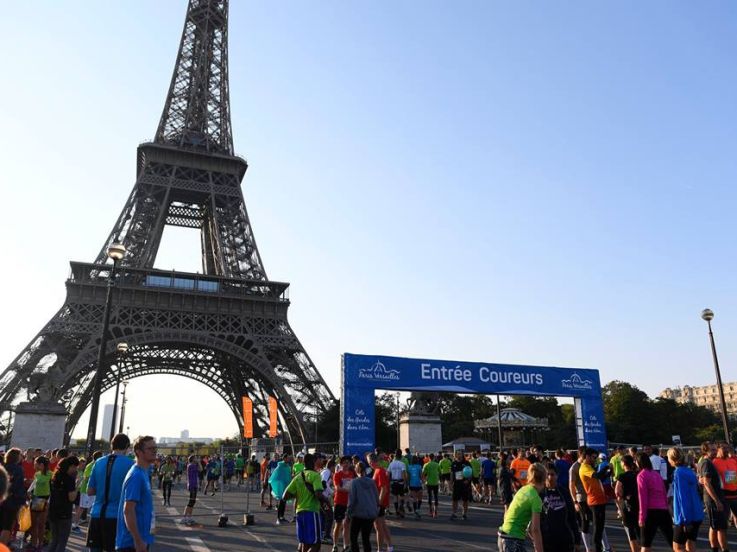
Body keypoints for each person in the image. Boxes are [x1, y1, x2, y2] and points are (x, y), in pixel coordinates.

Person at [86, 433, 134, 552]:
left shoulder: (98, 462)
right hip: (118, 517)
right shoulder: (131, 465)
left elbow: (90, 491)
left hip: (96, 514)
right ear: (127, 446)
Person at [116, 435, 157, 552]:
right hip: (131, 544)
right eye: (150, 448)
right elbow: (128, 510)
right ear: (138, 452)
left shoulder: (143, 472)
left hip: (140, 540)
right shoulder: (136, 476)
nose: (154, 451)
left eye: (155, 448)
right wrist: (138, 541)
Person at [497, 462, 546, 552]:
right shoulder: (536, 499)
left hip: (503, 534)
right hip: (513, 539)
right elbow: (535, 529)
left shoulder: (523, 489)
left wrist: (535, 543)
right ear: (544, 479)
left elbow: (530, 528)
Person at [283, 453, 325, 552]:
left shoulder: (298, 477)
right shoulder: (315, 475)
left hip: (299, 512)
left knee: (304, 544)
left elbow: (285, 496)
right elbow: (318, 494)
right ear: (312, 462)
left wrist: (298, 493)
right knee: (316, 544)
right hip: (311, 511)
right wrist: (326, 501)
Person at [668, 447, 702, 552]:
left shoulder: (678, 473)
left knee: (678, 547)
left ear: (672, 459)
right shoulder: (689, 471)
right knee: (690, 545)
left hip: (685, 517)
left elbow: (683, 498)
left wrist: (685, 521)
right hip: (696, 513)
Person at [636, 452, 673, 551]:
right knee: (674, 543)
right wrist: (667, 509)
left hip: (651, 512)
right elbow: (664, 492)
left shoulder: (641, 475)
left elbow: (642, 498)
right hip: (663, 511)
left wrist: (641, 517)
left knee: (645, 544)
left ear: (638, 462)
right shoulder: (656, 474)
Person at [540, 462, 579, 552]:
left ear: (557, 475)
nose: (550, 477)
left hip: (564, 539)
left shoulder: (564, 493)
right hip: (546, 541)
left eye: (552, 474)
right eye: (547, 475)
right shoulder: (539, 494)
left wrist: (577, 540)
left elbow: (572, 517)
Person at [698, 441, 729, 552]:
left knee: (715, 526)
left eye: (715, 449)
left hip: (716, 498)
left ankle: (715, 549)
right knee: (721, 528)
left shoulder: (710, 462)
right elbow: (706, 482)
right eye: (712, 450)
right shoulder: (706, 463)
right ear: (705, 451)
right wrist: (717, 501)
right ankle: (724, 549)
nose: (715, 451)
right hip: (713, 500)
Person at [579, 448, 611, 552]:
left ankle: (603, 549)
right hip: (594, 501)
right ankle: (598, 549)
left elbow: (600, 478)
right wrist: (606, 466)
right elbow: (597, 475)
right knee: (597, 529)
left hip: (600, 500)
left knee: (600, 527)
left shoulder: (590, 466)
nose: (595, 459)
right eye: (593, 457)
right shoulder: (584, 467)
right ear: (587, 456)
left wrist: (609, 471)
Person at [47, 455, 80, 552]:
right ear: (70, 466)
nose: (75, 469)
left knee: (54, 540)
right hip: (64, 512)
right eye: (75, 467)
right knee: (62, 541)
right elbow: (71, 498)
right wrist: (77, 486)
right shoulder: (69, 479)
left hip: (53, 510)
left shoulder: (55, 476)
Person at [347, 461, 379, 552]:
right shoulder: (372, 481)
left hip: (358, 513)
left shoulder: (354, 482)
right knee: (366, 539)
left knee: (353, 537)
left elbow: (352, 500)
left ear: (356, 470)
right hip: (370, 513)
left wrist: (348, 513)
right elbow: (376, 497)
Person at [0, 448, 26, 547]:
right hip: (12, 501)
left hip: (2, 499)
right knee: (7, 527)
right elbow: (17, 487)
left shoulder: (3, 467)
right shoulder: (18, 469)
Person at [614, 454, 640, 552]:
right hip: (638, 503)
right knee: (639, 529)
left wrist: (622, 496)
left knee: (630, 530)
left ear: (623, 464)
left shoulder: (622, 476)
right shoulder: (637, 474)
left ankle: (635, 550)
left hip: (627, 504)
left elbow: (617, 491)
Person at [569, 446, 592, 552]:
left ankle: (606, 547)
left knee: (598, 522)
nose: (589, 457)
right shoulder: (574, 468)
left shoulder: (588, 464)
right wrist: (575, 501)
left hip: (592, 497)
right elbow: (571, 485)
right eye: (586, 455)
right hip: (581, 498)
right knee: (585, 523)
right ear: (582, 455)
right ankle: (588, 549)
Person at [369, 453, 392, 552]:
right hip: (379, 502)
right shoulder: (378, 471)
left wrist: (378, 503)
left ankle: (379, 549)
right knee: (382, 524)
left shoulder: (380, 471)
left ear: (371, 462)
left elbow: (384, 489)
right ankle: (389, 547)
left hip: (379, 502)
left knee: (378, 526)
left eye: (369, 462)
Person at [29, 455, 52, 552]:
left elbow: (52, 489)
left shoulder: (51, 474)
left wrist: (48, 502)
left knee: (41, 524)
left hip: (45, 500)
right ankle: (33, 544)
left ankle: (40, 544)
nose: (34, 465)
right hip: (35, 499)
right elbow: (33, 486)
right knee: (34, 524)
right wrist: (29, 492)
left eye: (36, 463)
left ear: (41, 465)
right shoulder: (37, 474)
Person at [332, 456, 354, 551]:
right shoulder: (337, 475)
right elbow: (337, 488)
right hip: (339, 502)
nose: (346, 464)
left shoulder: (353, 474)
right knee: (338, 524)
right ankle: (335, 545)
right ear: (341, 464)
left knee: (347, 525)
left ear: (350, 464)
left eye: (348, 462)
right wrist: (348, 489)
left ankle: (346, 545)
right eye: (344, 462)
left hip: (349, 503)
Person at [270, 452, 294, 525]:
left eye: (289, 458)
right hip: (281, 487)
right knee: (281, 502)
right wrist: (279, 485)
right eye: (287, 458)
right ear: (284, 458)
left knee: (284, 502)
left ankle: (282, 517)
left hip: (286, 487)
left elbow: (288, 476)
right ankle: (278, 518)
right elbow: (275, 476)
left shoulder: (287, 466)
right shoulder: (280, 466)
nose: (288, 459)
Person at [450, 450, 471, 520]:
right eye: (457, 454)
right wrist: (450, 483)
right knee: (454, 499)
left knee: (465, 500)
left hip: (464, 485)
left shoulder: (467, 463)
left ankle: (464, 514)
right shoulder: (453, 463)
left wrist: (468, 480)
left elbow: (470, 472)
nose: (459, 455)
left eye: (460, 454)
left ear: (462, 455)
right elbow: (452, 474)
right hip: (456, 484)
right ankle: (454, 513)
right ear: (455, 455)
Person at [387, 450, 407, 517]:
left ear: (395, 456)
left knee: (395, 497)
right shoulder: (402, 464)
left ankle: (396, 511)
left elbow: (388, 474)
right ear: (401, 456)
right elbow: (404, 474)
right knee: (402, 496)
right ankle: (401, 507)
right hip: (401, 482)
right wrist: (405, 483)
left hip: (393, 482)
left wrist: (388, 482)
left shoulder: (391, 464)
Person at [422, 452, 440, 517]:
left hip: (429, 482)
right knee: (436, 496)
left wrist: (424, 481)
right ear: (434, 457)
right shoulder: (437, 464)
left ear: (429, 458)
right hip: (435, 482)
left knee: (429, 496)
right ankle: (435, 512)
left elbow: (423, 474)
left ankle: (430, 511)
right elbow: (440, 472)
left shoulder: (426, 465)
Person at [183, 455, 199, 526]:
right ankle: (184, 517)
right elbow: (201, 469)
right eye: (195, 458)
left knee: (193, 501)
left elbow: (200, 469)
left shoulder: (193, 465)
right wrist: (199, 462)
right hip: (192, 485)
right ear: (192, 459)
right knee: (191, 501)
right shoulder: (191, 465)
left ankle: (189, 517)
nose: (197, 459)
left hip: (194, 484)